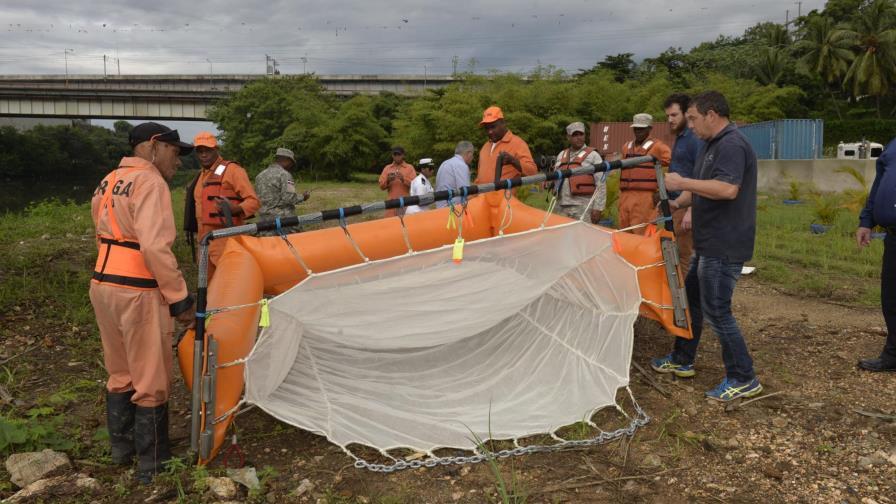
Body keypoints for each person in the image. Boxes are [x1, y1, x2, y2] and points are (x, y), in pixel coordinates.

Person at [89, 122, 195, 484]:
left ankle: (122, 450)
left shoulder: (108, 180)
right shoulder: (151, 181)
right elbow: (153, 247)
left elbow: (101, 234)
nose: (178, 161)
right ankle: (153, 464)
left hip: (103, 283)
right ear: (153, 146)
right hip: (138, 287)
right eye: (174, 152)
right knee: (151, 376)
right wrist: (179, 298)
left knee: (120, 372)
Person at [650, 91, 762, 402]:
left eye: (694, 119)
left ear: (711, 114)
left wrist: (682, 183)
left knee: (717, 311)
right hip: (708, 241)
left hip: (725, 243)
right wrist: (676, 203)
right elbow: (700, 190)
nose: (691, 126)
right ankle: (682, 358)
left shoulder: (732, 145)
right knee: (693, 301)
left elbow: (726, 189)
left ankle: (744, 377)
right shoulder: (710, 145)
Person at [187, 131, 259, 280]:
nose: (203, 155)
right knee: (206, 285)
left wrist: (236, 209)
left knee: (229, 283)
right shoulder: (200, 175)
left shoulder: (233, 170)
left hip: (226, 242)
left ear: (216, 150)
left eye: (208, 150)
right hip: (204, 242)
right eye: (200, 151)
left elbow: (254, 202)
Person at [856, 136, 896, 372]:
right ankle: (893, 355)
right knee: (891, 298)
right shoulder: (893, 145)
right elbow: (878, 185)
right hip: (893, 236)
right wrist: (867, 221)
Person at [664, 93, 704, 263]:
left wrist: (691, 210)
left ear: (687, 113)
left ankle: (686, 283)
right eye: (668, 116)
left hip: (687, 207)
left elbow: (701, 175)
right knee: (676, 255)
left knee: (685, 257)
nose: (670, 120)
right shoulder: (680, 137)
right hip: (677, 205)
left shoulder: (694, 139)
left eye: (674, 115)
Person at [618, 113, 671, 234]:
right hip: (625, 197)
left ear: (649, 129)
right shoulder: (626, 147)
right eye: (636, 128)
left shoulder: (658, 147)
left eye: (642, 128)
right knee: (623, 235)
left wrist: (663, 191)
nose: (638, 131)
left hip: (645, 198)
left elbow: (674, 166)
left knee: (643, 236)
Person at [550, 121, 606, 222]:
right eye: (575, 135)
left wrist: (598, 208)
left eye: (581, 134)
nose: (579, 137)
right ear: (568, 137)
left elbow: (601, 183)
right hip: (560, 206)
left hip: (583, 206)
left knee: (583, 232)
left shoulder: (593, 155)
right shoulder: (561, 155)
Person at [473, 106, 537, 187]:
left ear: (503, 123)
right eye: (487, 128)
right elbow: (479, 178)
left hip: (505, 195)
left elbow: (533, 172)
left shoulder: (518, 143)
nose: (489, 132)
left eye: (493, 126)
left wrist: (513, 161)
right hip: (482, 194)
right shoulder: (485, 147)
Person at [255, 147, 311, 236]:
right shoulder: (285, 174)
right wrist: (303, 197)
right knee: (298, 239)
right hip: (283, 219)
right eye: (291, 163)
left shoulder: (259, 176)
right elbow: (289, 198)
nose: (291, 166)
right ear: (287, 160)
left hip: (264, 219)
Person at [378, 146, 417, 217]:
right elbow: (381, 186)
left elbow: (415, 185)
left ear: (403, 155)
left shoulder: (410, 168)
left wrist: (403, 179)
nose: (397, 156)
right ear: (392, 156)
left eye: (399, 154)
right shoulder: (387, 168)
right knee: (390, 222)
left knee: (406, 222)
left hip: (406, 202)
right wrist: (388, 180)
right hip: (391, 203)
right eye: (395, 154)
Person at [435, 141, 474, 208]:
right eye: (472, 154)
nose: (472, 157)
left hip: (440, 207)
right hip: (452, 209)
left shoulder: (445, 163)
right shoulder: (461, 165)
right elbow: (466, 193)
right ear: (469, 153)